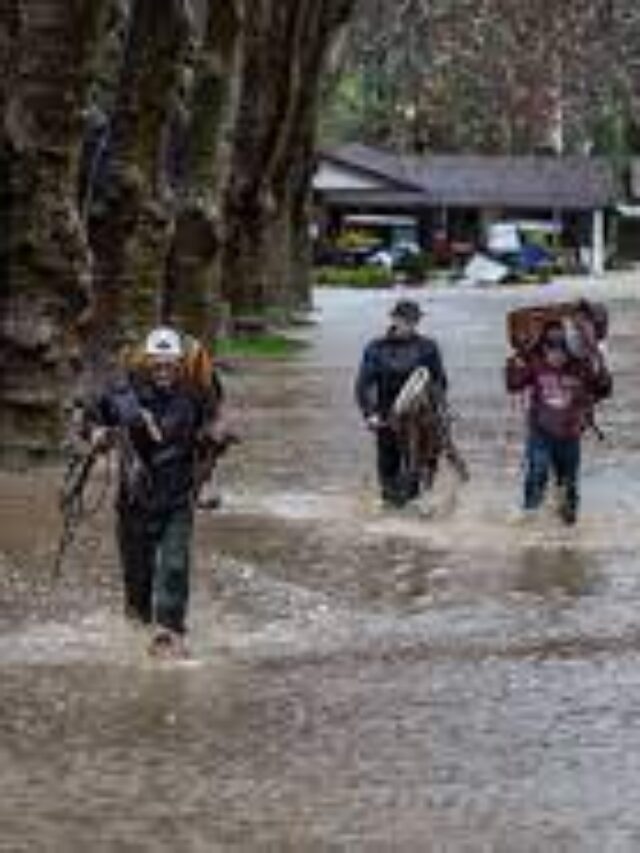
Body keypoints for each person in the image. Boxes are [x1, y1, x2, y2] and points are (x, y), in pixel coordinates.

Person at [88, 326, 211, 658]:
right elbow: (92, 421)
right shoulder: (122, 395)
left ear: (179, 365)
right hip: (134, 502)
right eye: (157, 364)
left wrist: (216, 438)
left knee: (174, 567)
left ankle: (170, 635)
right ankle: (136, 636)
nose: (163, 371)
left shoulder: (195, 395)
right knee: (137, 585)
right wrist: (98, 435)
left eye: (169, 364)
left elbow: (210, 427)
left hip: (177, 499)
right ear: (145, 363)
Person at [505, 318, 612, 525]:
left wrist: (600, 363)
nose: (556, 355)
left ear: (570, 350)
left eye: (561, 349)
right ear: (544, 348)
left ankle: (568, 525)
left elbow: (604, 389)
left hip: (570, 435)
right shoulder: (535, 364)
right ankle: (530, 516)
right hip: (540, 433)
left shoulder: (581, 367)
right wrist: (515, 362)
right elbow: (513, 384)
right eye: (551, 349)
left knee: (568, 484)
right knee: (538, 471)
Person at [355, 298, 448, 507]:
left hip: (420, 417)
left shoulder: (428, 347)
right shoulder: (376, 348)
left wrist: (438, 408)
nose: (410, 325)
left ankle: (415, 508)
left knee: (417, 468)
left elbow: (440, 381)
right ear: (394, 319)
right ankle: (391, 511)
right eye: (406, 320)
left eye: (414, 320)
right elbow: (363, 385)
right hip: (387, 416)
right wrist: (370, 414)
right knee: (388, 469)